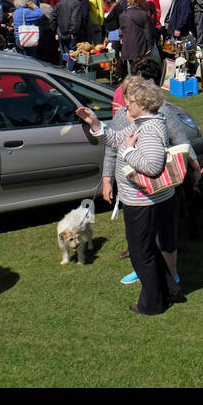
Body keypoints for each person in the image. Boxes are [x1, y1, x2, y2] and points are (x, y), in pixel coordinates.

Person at [76, 78, 179, 314]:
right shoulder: (142, 122)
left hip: (142, 202)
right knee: (147, 251)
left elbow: (152, 166)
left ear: (142, 103)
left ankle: (152, 304)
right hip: (141, 200)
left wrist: (128, 150)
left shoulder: (150, 128)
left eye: (130, 101)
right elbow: (116, 138)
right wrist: (94, 123)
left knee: (141, 255)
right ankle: (169, 289)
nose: (126, 105)